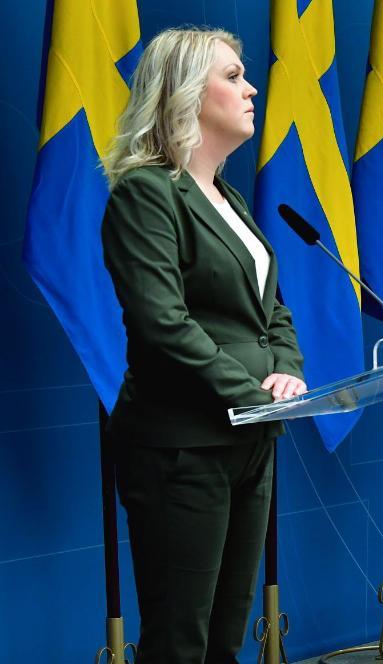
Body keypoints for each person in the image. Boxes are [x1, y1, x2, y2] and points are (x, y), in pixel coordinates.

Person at [101, 28, 306, 662]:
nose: (251, 90)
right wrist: (252, 393)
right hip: (181, 446)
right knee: (179, 638)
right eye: (234, 76)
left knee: (227, 633)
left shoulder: (231, 199)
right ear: (186, 91)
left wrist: (288, 374)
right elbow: (163, 323)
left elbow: (271, 309)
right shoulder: (146, 192)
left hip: (249, 441)